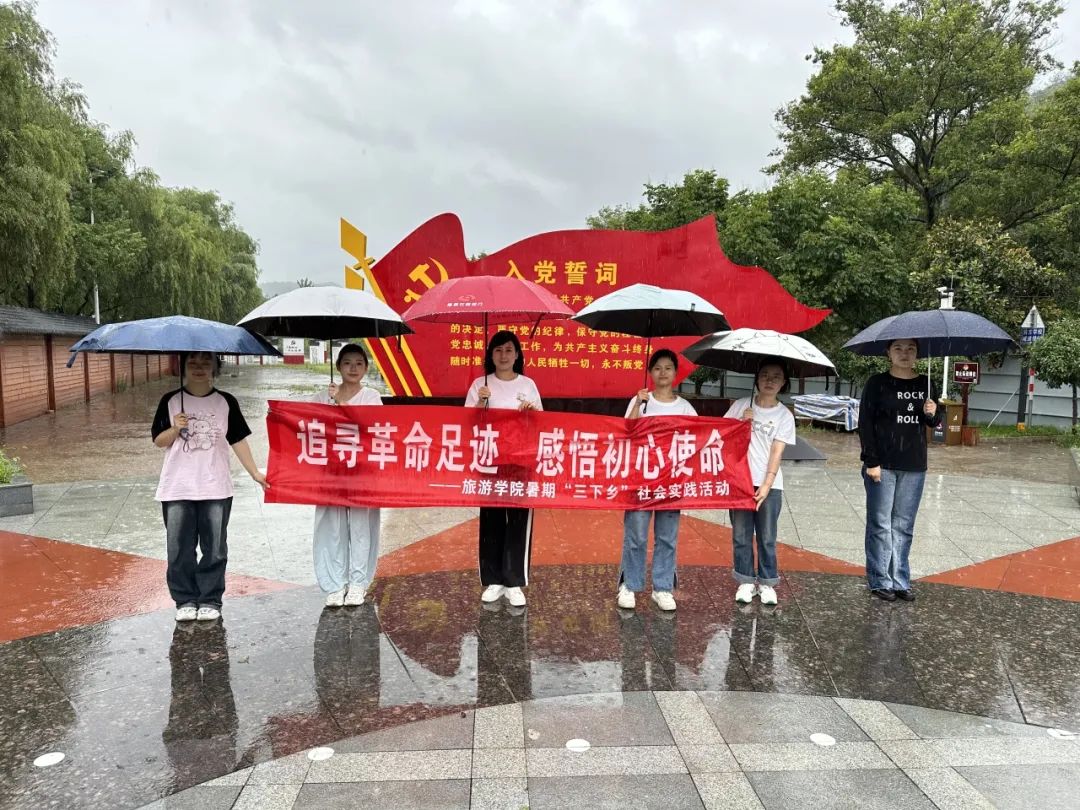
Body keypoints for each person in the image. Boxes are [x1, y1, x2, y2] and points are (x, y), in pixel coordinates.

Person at [152, 352, 267, 622]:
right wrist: (175, 428)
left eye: (206, 363)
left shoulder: (226, 402)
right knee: (179, 549)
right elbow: (158, 440)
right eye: (193, 363)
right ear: (183, 367)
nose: (199, 368)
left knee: (214, 548)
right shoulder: (170, 401)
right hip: (177, 488)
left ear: (215, 368)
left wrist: (254, 472)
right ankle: (184, 599)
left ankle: (210, 599)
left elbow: (238, 440)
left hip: (216, 487)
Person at [858, 338, 941, 602]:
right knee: (880, 524)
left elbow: (933, 423)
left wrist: (932, 412)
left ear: (917, 353)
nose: (904, 354)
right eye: (898, 349)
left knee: (903, 525)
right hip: (882, 464)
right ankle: (880, 580)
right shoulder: (877, 383)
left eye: (910, 349)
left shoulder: (926, 383)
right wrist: (871, 461)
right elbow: (865, 423)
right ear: (888, 353)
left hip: (914, 464)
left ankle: (900, 580)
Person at [465, 330, 542, 607]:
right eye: (498, 350)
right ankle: (494, 579)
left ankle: (514, 581)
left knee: (518, 519)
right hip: (490, 462)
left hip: (520, 462)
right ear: (491, 355)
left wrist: (532, 412)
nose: (504, 355)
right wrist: (480, 403)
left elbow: (541, 423)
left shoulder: (528, 384)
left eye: (509, 350)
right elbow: (467, 422)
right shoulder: (480, 384)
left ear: (517, 354)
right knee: (492, 519)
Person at [617, 348, 698, 612]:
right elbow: (626, 432)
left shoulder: (685, 407)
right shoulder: (641, 400)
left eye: (668, 368)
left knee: (667, 537)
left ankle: (662, 588)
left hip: (671, 483)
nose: (663, 372)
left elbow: (699, 438)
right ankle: (629, 585)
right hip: (641, 480)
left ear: (675, 373)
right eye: (657, 368)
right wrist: (637, 405)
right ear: (650, 372)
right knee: (636, 535)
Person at [312, 344, 383, 608]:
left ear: (366, 368)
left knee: (362, 527)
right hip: (330, 474)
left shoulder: (372, 396)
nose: (353, 368)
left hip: (363, 473)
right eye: (347, 363)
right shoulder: (323, 396)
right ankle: (334, 583)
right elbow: (306, 427)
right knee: (331, 527)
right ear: (338, 366)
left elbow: (373, 427)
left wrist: (341, 406)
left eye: (359, 363)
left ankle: (357, 583)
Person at [723, 359, 797, 606]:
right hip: (740, 481)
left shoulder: (784, 415)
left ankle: (767, 582)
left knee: (766, 536)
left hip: (770, 484)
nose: (769, 380)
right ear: (756, 378)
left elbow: (776, 451)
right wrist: (739, 424)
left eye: (776, 376)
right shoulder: (741, 405)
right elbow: (721, 436)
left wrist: (766, 484)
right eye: (764, 374)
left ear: (783, 383)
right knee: (741, 534)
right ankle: (745, 580)